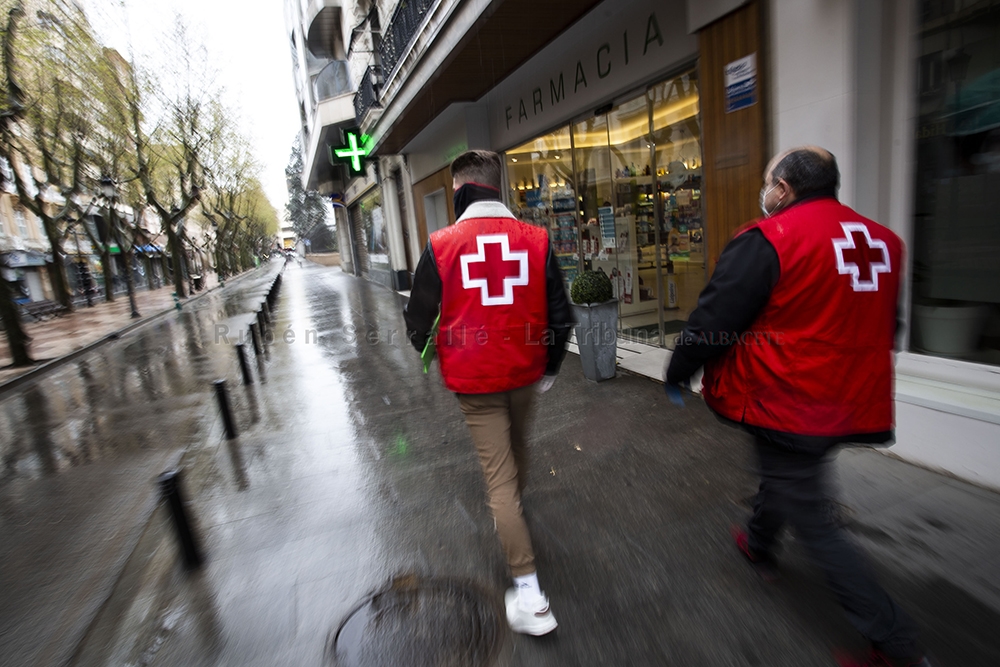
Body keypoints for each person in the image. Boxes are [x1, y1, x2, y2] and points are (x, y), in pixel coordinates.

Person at [665, 147, 931, 667]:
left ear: (783, 189)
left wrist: (681, 367)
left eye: (769, 182)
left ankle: (897, 646)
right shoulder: (884, 243)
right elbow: (887, 328)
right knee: (789, 476)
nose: (766, 192)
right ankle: (759, 541)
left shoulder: (771, 239)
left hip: (788, 400)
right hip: (849, 399)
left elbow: (717, 317)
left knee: (815, 519)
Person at [404, 150, 573, 636]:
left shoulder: (441, 244)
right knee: (518, 450)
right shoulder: (536, 239)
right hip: (525, 371)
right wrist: (551, 367)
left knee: (497, 480)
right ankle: (513, 514)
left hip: (474, 379)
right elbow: (560, 314)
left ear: (460, 189)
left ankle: (530, 597)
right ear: (496, 186)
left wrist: (433, 350)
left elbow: (418, 318)